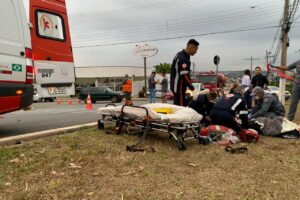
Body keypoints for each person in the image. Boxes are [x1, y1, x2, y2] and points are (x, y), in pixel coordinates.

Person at [170, 39, 199, 106]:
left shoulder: (179, 54)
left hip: (175, 86)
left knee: (178, 106)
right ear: (191, 47)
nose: (196, 52)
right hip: (179, 87)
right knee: (181, 108)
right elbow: (184, 76)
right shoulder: (183, 58)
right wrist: (193, 89)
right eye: (196, 49)